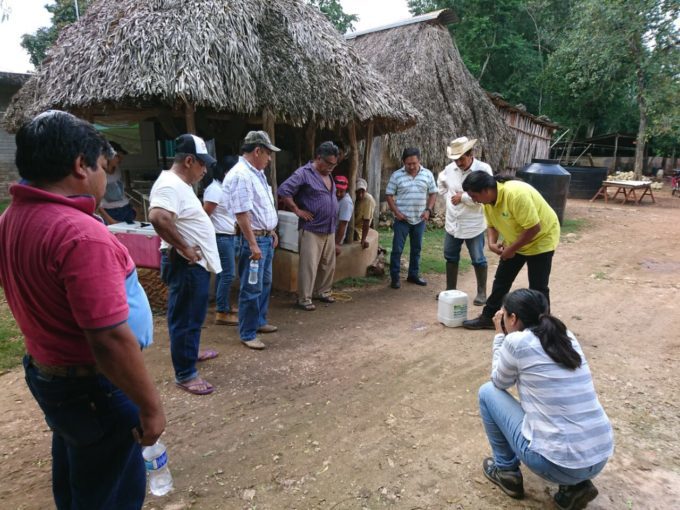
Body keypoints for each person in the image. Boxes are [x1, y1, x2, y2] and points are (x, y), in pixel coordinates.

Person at [0, 110, 165, 509]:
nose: (104, 178)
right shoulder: (79, 234)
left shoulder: (12, 219)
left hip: (52, 375)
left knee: (80, 478)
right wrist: (150, 408)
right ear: (80, 165)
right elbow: (108, 338)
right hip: (94, 385)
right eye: (103, 167)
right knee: (110, 493)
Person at [479, 288, 613, 509]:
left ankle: (506, 471)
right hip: (599, 457)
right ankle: (575, 487)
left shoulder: (516, 342)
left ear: (513, 318)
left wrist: (499, 336)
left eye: (505, 315)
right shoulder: (565, 335)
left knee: (486, 392)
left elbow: (499, 382)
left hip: (558, 464)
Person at [149, 134, 222, 394]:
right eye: (203, 164)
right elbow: (158, 217)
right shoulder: (170, 184)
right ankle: (185, 373)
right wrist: (184, 247)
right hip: (186, 265)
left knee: (192, 314)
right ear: (189, 161)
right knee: (184, 318)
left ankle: (190, 352)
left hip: (193, 265)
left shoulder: (179, 185)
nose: (205, 170)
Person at [462, 172, 560, 329]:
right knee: (502, 280)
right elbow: (492, 225)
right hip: (517, 239)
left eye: (474, 196)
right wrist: (492, 243)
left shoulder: (515, 195)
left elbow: (534, 228)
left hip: (541, 239)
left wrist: (511, 249)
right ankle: (488, 317)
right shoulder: (488, 202)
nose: (473, 200)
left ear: (486, 190)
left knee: (538, 286)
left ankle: (544, 327)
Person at [223, 131, 280, 349]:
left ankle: (258, 321)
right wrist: (253, 243)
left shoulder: (256, 173)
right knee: (251, 286)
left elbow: (259, 208)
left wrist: (270, 230)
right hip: (253, 240)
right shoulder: (241, 175)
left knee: (264, 283)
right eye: (267, 153)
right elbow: (242, 213)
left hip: (264, 237)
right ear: (257, 151)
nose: (269, 158)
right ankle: (247, 333)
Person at [278, 141, 340, 311]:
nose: (331, 168)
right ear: (318, 158)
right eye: (328, 163)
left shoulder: (328, 174)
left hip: (329, 228)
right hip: (312, 228)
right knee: (309, 265)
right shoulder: (303, 173)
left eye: (334, 164)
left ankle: (323, 292)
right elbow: (284, 190)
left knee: (328, 264)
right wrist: (297, 210)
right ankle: (304, 298)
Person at [437, 137, 493, 304]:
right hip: (453, 223)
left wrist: (464, 197)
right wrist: (445, 185)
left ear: (471, 154)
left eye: (461, 158)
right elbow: (441, 187)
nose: (458, 162)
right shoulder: (449, 169)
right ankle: (450, 291)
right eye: (456, 159)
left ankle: (482, 293)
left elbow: (488, 194)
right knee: (450, 256)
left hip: (473, 223)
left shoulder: (483, 169)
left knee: (478, 258)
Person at [385, 147, 437, 288]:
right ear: (403, 162)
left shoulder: (427, 175)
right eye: (408, 164)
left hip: (420, 219)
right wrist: (396, 212)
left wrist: (428, 210)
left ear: (419, 160)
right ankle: (395, 278)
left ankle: (413, 275)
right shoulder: (396, 175)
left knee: (416, 249)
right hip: (402, 220)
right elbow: (389, 194)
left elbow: (433, 193)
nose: (412, 166)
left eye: (414, 163)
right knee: (397, 249)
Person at [203, 155, 240, 326]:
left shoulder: (224, 188)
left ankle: (223, 305)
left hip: (228, 236)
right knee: (228, 274)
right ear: (227, 172)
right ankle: (222, 311)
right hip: (220, 237)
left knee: (223, 273)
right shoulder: (215, 190)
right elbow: (205, 216)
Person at [99, 141, 137, 224]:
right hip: (111, 212)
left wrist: (131, 206)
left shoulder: (117, 169)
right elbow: (96, 201)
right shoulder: (99, 173)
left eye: (121, 156)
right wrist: (109, 219)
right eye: (117, 156)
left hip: (126, 208)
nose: (120, 159)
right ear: (108, 155)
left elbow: (120, 190)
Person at [353, 177, 376, 249]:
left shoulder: (368, 200)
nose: (360, 195)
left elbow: (366, 221)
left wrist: (363, 239)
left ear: (366, 190)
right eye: (358, 192)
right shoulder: (353, 197)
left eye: (362, 192)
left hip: (358, 230)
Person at [334, 174, 353, 255]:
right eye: (336, 190)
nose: (338, 194)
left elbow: (343, 225)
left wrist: (336, 244)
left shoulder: (346, 202)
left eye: (341, 191)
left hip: (335, 238)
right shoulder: (336, 198)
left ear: (346, 190)